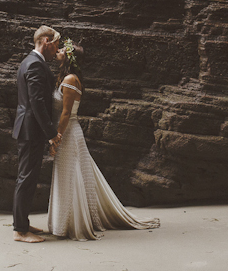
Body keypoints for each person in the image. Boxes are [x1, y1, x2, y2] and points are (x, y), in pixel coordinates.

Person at [47, 39, 160, 241]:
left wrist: (56, 138)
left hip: (69, 132)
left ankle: (72, 223)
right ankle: (63, 222)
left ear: (70, 57)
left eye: (63, 49)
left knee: (71, 175)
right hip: (69, 132)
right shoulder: (66, 77)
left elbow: (65, 114)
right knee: (68, 174)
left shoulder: (71, 79)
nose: (59, 50)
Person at [12, 25, 63, 243]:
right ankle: (20, 231)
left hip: (29, 128)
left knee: (28, 177)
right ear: (45, 40)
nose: (56, 50)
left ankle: (22, 222)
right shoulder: (34, 64)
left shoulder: (31, 62)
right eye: (56, 45)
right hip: (31, 129)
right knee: (26, 178)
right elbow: (37, 102)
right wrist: (51, 133)